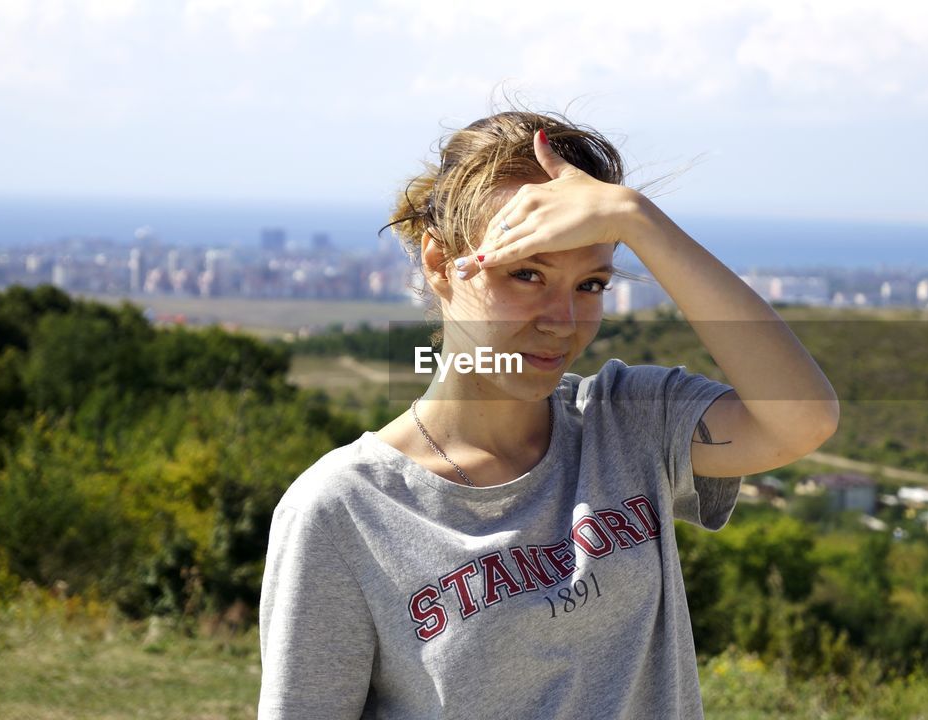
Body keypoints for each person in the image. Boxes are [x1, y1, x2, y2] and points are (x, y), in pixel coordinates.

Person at [257, 109, 839, 719]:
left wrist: (635, 217)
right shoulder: (344, 509)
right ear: (438, 263)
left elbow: (801, 420)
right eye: (526, 273)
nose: (562, 320)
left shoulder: (628, 422)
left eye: (590, 284)